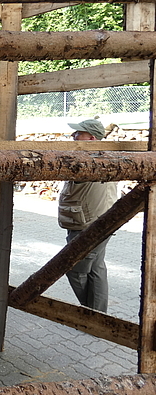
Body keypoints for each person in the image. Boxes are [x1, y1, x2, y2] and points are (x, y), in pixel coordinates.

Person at [58, 118, 117, 312]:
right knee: (96, 269)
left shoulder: (89, 160)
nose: (74, 137)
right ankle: (98, 316)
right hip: (100, 221)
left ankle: (91, 313)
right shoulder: (103, 155)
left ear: (92, 138)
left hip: (88, 225)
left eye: (79, 133)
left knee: (75, 268)